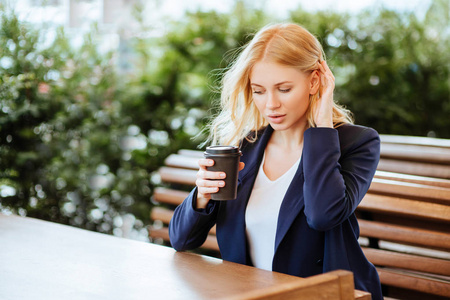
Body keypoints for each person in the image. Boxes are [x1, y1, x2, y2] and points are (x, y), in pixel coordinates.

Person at [169, 23, 383, 299]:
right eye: (259, 91)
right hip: (250, 294)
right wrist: (202, 196)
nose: (270, 104)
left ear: (315, 82)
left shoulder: (355, 143)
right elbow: (182, 240)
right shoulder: (245, 145)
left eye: (283, 89)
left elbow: (323, 214)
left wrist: (322, 130)